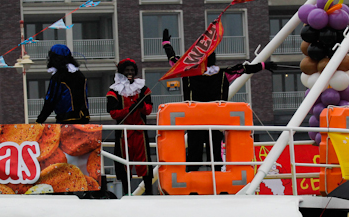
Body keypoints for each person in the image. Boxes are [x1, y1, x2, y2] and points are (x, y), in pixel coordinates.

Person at [162, 28, 275, 171]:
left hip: (195, 120)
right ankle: (215, 186)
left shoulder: (188, 71)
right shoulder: (222, 74)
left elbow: (173, 60)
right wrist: (264, 66)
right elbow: (244, 69)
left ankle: (194, 188)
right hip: (213, 119)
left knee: (196, 154)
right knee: (212, 154)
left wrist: (166, 44)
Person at [107, 58, 154, 196]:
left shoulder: (143, 88)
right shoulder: (114, 90)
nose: (130, 73)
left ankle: (149, 192)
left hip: (140, 131)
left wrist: (141, 106)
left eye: (132, 70)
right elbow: (113, 113)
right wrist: (129, 110)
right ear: (121, 71)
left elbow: (149, 109)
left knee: (145, 162)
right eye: (127, 70)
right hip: (123, 133)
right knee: (123, 164)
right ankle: (126, 192)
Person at [36, 44, 90, 124]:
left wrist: (40, 120)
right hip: (84, 119)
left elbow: (50, 100)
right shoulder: (80, 75)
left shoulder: (58, 77)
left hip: (66, 121)